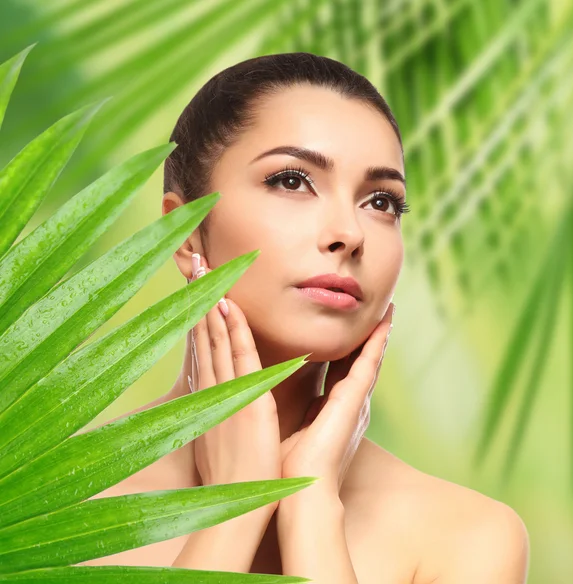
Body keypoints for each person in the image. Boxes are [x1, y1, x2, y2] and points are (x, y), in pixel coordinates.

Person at [80, 52, 529, 582]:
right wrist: (237, 507)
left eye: (382, 201)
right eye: (293, 181)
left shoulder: (467, 537)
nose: (350, 233)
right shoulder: (49, 505)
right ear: (184, 232)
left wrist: (311, 508)